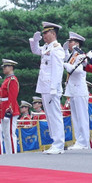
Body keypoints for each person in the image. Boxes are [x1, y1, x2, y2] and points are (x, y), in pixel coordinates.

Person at [29, 21, 67, 154]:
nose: (44, 35)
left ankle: (59, 144)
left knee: (55, 115)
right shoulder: (46, 47)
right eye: (43, 33)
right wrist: (34, 41)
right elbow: (35, 50)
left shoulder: (57, 49)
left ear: (53, 33)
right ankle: (55, 142)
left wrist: (54, 88)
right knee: (50, 116)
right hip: (45, 86)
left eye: (46, 33)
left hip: (52, 88)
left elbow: (58, 70)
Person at [63, 32, 91, 150]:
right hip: (73, 89)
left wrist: (65, 65)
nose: (69, 43)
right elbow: (66, 59)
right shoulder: (72, 55)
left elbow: (78, 70)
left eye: (71, 42)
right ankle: (79, 140)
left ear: (77, 43)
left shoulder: (80, 55)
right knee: (75, 116)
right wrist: (64, 52)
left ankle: (84, 141)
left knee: (82, 116)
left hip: (79, 88)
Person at [0, 59, 20, 154]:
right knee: (6, 134)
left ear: (11, 67)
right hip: (4, 108)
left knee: (10, 133)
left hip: (10, 109)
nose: (4, 68)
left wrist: (9, 110)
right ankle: (8, 152)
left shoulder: (12, 80)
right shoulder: (7, 80)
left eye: (5, 67)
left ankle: (13, 153)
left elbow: (12, 96)